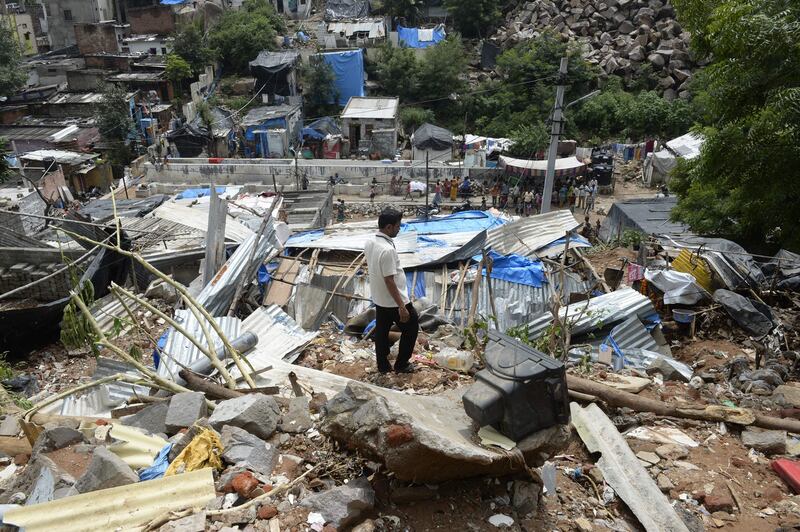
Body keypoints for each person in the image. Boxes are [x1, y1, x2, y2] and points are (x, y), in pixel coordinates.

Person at [364, 208, 419, 374]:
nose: (399, 229)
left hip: (380, 298)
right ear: (388, 227)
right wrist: (402, 306)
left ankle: (383, 365)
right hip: (393, 300)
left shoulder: (371, 242)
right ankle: (401, 364)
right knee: (411, 328)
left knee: (382, 331)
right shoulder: (387, 250)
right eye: (397, 226)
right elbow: (389, 280)